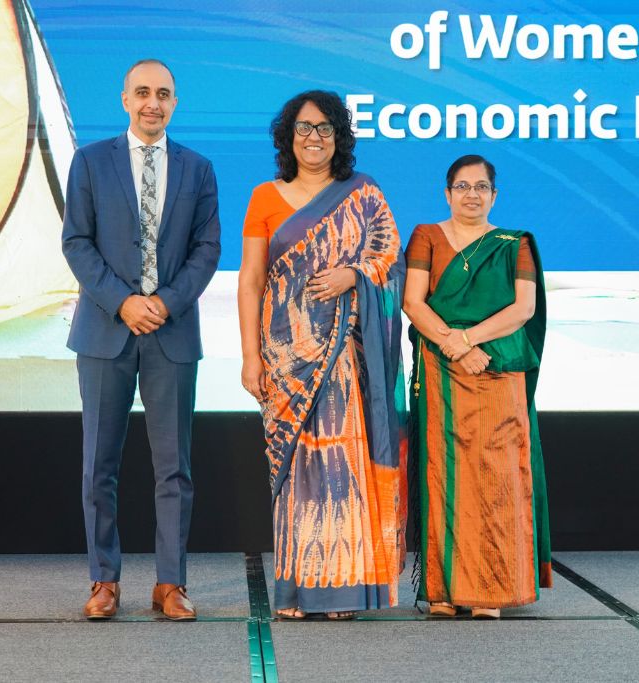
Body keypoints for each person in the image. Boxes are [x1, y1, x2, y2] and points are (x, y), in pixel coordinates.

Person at [237, 91, 407, 620]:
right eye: (305, 127)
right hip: (284, 358)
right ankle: (296, 590)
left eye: (326, 128)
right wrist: (250, 357)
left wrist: (352, 275)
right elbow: (251, 280)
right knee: (297, 471)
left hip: (345, 358)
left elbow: (390, 258)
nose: (314, 137)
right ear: (289, 136)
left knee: (342, 465)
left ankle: (343, 589)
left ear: (340, 137)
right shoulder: (264, 197)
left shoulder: (364, 193)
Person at [61, 59, 220, 621]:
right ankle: (104, 580)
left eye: (164, 94)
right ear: (125, 99)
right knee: (98, 465)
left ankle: (170, 584)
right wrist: (123, 302)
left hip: (171, 334)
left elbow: (207, 249)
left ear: (175, 103)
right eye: (144, 92)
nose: (154, 102)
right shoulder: (89, 161)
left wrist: (165, 302)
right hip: (105, 331)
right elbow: (77, 242)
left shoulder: (198, 168)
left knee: (174, 468)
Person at [403, 154, 551, 618]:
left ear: (494, 195)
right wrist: (453, 345)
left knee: (497, 475)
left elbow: (523, 309)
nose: (472, 195)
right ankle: (444, 590)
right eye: (463, 187)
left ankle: (492, 589)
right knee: (443, 474)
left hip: (498, 369)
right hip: (441, 368)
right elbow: (413, 302)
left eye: (481, 187)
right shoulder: (426, 236)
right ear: (447, 193)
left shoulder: (514, 243)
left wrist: (468, 339)